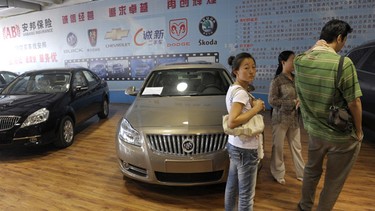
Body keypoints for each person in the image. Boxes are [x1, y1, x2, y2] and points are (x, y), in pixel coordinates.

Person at [294, 19, 363, 211]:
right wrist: (359, 131)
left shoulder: (300, 60)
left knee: (311, 170)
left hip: (314, 132)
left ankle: (304, 206)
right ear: (339, 38)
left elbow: (305, 55)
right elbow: (354, 102)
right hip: (340, 135)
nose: (344, 45)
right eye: (344, 40)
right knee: (334, 180)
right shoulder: (343, 63)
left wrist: (314, 48)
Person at [224, 52, 265, 211]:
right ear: (236, 71)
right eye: (246, 68)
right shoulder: (241, 92)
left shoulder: (234, 89)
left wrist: (253, 104)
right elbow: (233, 121)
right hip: (246, 149)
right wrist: (255, 109)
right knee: (246, 195)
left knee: (232, 187)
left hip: (235, 145)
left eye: (253, 67)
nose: (251, 71)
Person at [268, 50, 305, 185]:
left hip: (294, 119)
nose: (294, 63)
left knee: (297, 147)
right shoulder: (277, 80)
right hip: (280, 119)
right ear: (283, 62)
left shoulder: (296, 78)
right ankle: (278, 173)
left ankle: (301, 173)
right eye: (292, 60)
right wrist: (291, 103)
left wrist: (300, 100)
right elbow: (272, 100)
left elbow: (299, 94)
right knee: (278, 147)